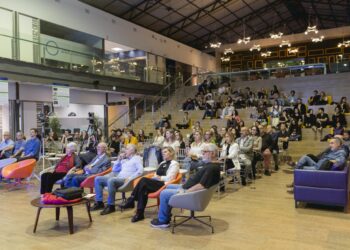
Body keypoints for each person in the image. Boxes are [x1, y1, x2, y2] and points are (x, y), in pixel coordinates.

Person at [150, 143, 221, 228]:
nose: (202, 153)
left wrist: (185, 192)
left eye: (205, 152)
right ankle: (166, 216)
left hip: (190, 193)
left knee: (164, 193)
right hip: (188, 188)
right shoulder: (211, 165)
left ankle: (163, 221)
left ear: (212, 153)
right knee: (167, 186)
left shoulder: (211, 168)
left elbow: (201, 186)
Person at [120, 147, 179, 222]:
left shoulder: (174, 164)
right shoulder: (162, 163)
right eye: (162, 152)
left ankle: (131, 199)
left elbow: (171, 178)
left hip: (164, 185)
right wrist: (155, 177)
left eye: (165, 152)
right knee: (143, 188)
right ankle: (139, 213)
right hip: (156, 183)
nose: (162, 153)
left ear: (171, 153)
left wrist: (159, 177)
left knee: (143, 180)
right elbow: (155, 174)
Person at [91, 144, 143, 215]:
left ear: (132, 151)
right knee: (98, 179)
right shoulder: (125, 160)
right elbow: (114, 169)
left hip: (126, 181)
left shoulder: (137, 158)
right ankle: (99, 202)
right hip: (118, 178)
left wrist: (130, 178)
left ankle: (111, 205)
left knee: (111, 180)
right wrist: (119, 160)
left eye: (127, 149)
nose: (125, 150)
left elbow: (140, 171)